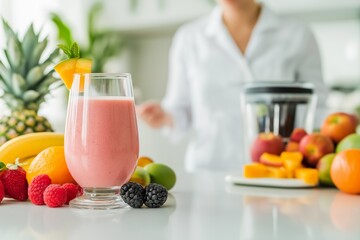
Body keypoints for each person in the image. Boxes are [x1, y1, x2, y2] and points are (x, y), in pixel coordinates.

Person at [137, 0, 327, 172]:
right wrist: (165, 116)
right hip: (207, 171)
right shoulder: (189, 38)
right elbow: (180, 110)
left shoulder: (298, 35)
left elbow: (316, 108)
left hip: (277, 172)